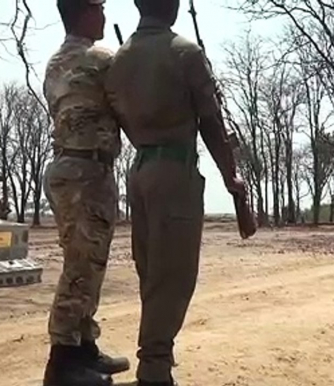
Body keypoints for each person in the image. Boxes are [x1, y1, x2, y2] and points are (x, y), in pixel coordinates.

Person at [105, 0, 247, 384]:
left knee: (151, 271)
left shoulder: (118, 60)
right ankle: (154, 367)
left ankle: (155, 360)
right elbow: (211, 122)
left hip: (140, 171)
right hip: (175, 171)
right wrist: (230, 177)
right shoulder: (185, 53)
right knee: (175, 274)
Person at [42, 1, 129, 385]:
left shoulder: (54, 63)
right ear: (83, 14)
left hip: (67, 168)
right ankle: (62, 362)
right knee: (81, 268)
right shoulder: (100, 59)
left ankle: (84, 349)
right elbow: (131, 97)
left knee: (87, 263)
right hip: (87, 172)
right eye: (99, 7)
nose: (105, 16)